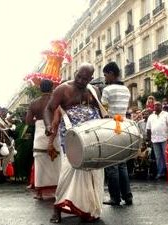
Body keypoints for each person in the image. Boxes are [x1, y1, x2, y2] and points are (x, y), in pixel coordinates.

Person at [44, 62, 104, 223]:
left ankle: (88, 209)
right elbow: (49, 109)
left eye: (85, 79)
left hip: (92, 137)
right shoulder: (63, 89)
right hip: (71, 138)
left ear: (90, 78)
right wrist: (49, 125)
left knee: (92, 173)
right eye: (79, 76)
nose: (80, 81)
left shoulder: (94, 90)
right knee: (68, 172)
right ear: (76, 72)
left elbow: (100, 111)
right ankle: (57, 209)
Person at [100, 61, 133, 206]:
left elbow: (104, 110)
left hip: (111, 127)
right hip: (124, 126)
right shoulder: (126, 89)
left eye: (106, 75)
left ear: (112, 74)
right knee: (122, 164)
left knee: (112, 164)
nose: (105, 78)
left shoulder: (107, 90)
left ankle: (115, 198)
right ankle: (127, 196)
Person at [25, 79, 61, 199]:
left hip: (40, 133)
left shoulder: (34, 103)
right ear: (52, 88)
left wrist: (38, 121)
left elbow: (28, 121)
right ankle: (58, 191)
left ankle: (40, 193)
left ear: (40, 89)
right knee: (56, 162)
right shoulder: (56, 101)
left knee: (40, 164)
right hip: (55, 131)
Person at [146, 101, 168, 180]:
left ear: (161, 106)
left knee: (166, 156)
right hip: (155, 139)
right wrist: (149, 139)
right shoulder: (151, 116)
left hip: (165, 138)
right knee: (158, 157)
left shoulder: (166, 115)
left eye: (158, 105)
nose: (156, 107)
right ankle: (161, 172)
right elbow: (148, 129)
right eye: (155, 105)